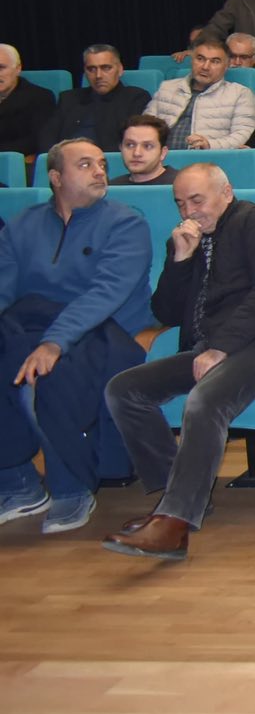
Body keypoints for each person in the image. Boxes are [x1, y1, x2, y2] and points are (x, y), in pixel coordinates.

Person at [101, 163, 255, 560]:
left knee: (205, 401)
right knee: (124, 389)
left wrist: (221, 347)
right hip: (204, 348)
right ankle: (174, 498)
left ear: (226, 193)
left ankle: (174, 524)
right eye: (180, 203)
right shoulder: (187, 238)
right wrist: (180, 259)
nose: (189, 211)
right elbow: (167, 311)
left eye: (197, 200)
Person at [0, 139, 150, 535]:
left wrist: (54, 342)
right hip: (28, 323)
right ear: (55, 177)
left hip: (101, 330)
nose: (100, 171)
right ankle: (17, 482)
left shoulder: (125, 223)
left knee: (49, 377)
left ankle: (71, 486)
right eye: (85, 165)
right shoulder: (22, 224)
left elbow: (105, 294)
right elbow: (3, 286)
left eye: (101, 164)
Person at [143, 33, 255, 151]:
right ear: (192, 60)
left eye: (215, 61)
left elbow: (243, 134)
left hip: (209, 158)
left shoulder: (240, 94)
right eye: (200, 59)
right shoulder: (167, 88)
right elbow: (144, 126)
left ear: (226, 65)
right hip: (162, 158)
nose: (205, 67)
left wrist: (210, 145)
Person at [41, 45, 148, 152]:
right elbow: (47, 139)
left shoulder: (135, 97)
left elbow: (133, 141)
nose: (98, 75)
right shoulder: (68, 98)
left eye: (106, 68)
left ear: (120, 69)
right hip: (66, 159)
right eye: (91, 69)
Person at [110, 115, 175, 186]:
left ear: (163, 153)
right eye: (130, 145)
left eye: (147, 146)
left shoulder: (180, 186)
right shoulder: (111, 188)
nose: (136, 153)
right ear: (121, 148)